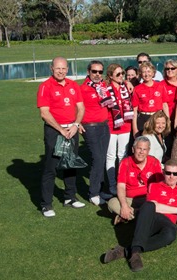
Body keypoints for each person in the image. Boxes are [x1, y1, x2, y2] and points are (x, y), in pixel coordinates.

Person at [101, 159, 177, 272]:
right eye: (168, 173)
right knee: (148, 205)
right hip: (151, 219)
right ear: (163, 172)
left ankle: (124, 251)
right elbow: (154, 207)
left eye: (175, 174)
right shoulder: (155, 186)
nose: (171, 176)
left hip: (168, 224)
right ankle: (135, 254)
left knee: (171, 235)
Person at [37, 57, 86, 217]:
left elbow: (80, 108)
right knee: (51, 167)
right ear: (52, 68)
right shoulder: (46, 86)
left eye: (64, 68)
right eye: (58, 68)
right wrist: (61, 130)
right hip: (54, 131)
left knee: (71, 164)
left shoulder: (73, 85)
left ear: (67, 69)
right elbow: (44, 113)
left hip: (71, 129)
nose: (61, 71)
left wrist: (75, 125)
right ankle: (46, 204)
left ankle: (70, 197)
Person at [107, 136, 163, 224]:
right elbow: (121, 186)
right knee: (112, 203)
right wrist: (124, 205)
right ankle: (142, 216)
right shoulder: (125, 162)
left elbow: (160, 184)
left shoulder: (154, 162)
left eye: (144, 149)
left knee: (160, 203)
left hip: (148, 199)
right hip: (129, 199)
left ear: (148, 151)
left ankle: (129, 216)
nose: (141, 152)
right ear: (133, 149)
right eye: (139, 148)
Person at [79, 60, 111, 205]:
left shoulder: (102, 86)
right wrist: (77, 123)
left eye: (100, 72)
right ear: (88, 72)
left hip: (104, 126)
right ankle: (93, 193)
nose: (97, 75)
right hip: (90, 126)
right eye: (94, 72)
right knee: (97, 158)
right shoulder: (83, 88)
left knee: (103, 158)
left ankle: (101, 190)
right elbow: (76, 107)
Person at [105, 63, 134, 206]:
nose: (121, 76)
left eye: (122, 73)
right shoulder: (105, 89)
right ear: (110, 76)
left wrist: (127, 81)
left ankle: (121, 184)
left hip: (126, 125)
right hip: (111, 126)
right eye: (118, 74)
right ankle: (111, 185)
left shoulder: (126, 87)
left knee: (122, 156)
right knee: (110, 156)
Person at [132, 62, 169, 136]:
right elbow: (134, 110)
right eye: (144, 72)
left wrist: (168, 121)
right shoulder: (137, 89)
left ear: (153, 73)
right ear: (141, 74)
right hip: (144, 118)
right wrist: (135, 128)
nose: (146, 74)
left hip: (158, 117)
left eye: (149, 71)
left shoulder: (160, 86)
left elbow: (165, 105)